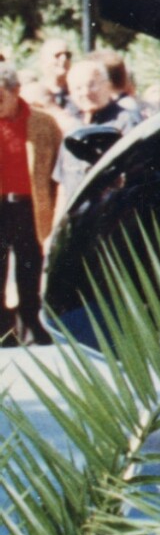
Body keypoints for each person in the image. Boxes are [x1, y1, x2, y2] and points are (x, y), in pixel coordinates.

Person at [0, 67, 61, 345]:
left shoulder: (43, 123)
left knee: (29, 270)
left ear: (16, 91)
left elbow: (58, 170)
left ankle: (32, 327)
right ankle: (4, 331)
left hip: (30, 208)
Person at [51, 58, 143, 206]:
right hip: (77, 217)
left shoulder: (126, 122)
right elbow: (63, 186)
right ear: (70, 92)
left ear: (108, 85)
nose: (86, 92)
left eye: (92, 85)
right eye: (78, 88)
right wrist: (58, 219)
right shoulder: (73, 129)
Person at [27, 40, 72, 114]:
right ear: (43, 61)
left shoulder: (79, 94)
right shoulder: (34, 95)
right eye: (57, 55)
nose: (64, 59)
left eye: (68, 55)